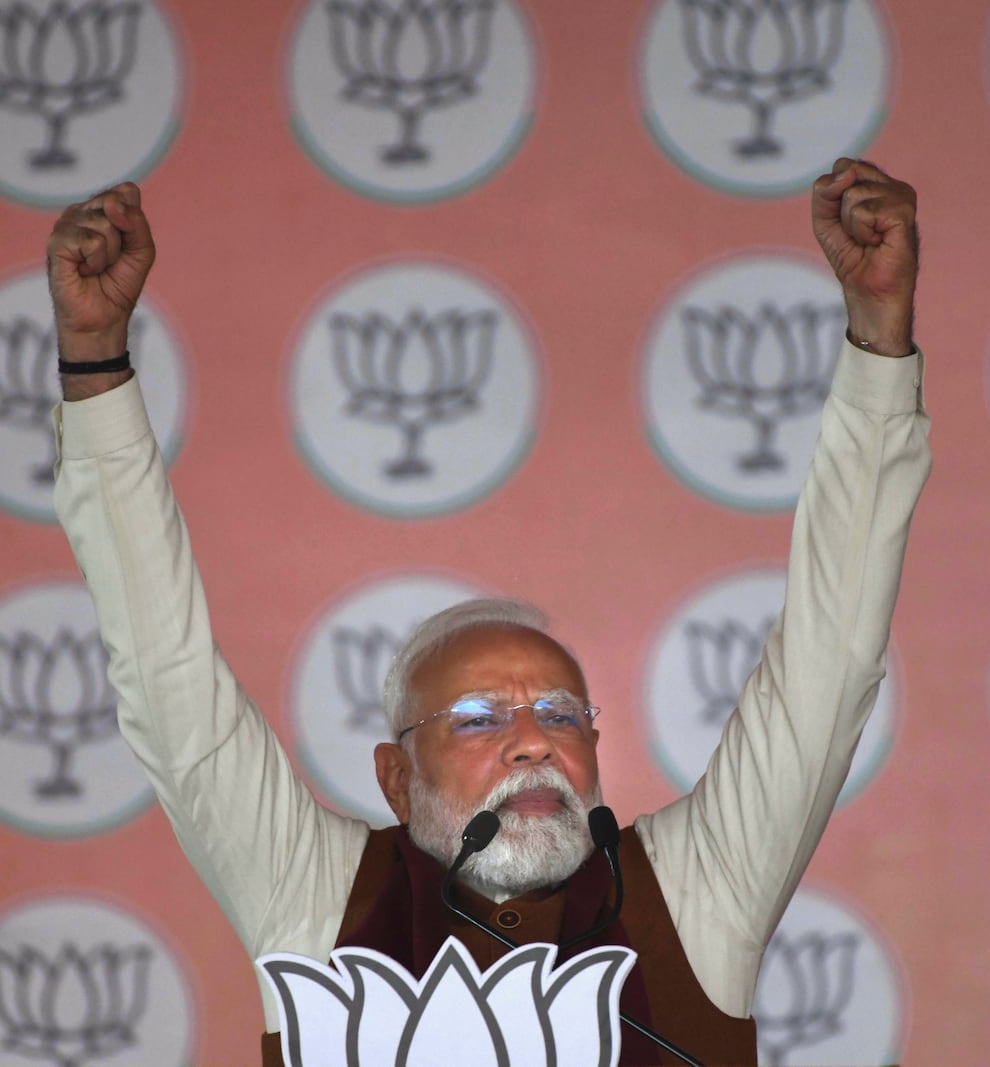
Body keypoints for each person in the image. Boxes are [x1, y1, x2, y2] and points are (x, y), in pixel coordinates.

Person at [47, 159, 929, 1065]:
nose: (533, 740)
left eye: (559, 714)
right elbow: (167, 680)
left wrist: (876, 347)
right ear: (396, 778)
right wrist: (95, 366)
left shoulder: (693, 892)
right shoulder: (319, 894)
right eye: (477, 718)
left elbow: (831, 657)